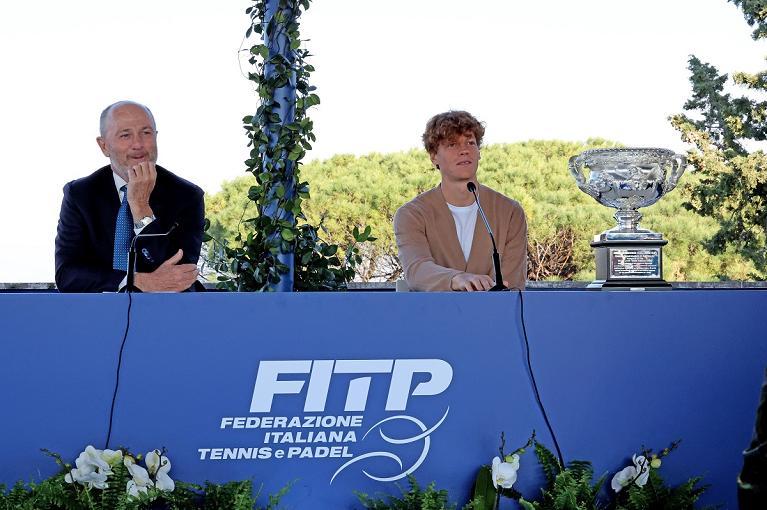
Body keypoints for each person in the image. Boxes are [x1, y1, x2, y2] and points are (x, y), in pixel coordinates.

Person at [55, 101, 205, 292]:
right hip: (97, 314)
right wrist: (135, 281)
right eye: (125, 135)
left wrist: (141, 208)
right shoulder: (80, 194)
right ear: (104, 146)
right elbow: (67, 275)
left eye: (146, 133)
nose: (138, 144)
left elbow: (180, 277)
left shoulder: (187, 195)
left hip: (165, 313)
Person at [393, 110, 527, 291]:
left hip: (493, 317)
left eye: (471, 143)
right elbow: (417, 271)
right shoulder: (411, 214)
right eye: (452, 144)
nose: (464, 150)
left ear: (479, 152)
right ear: (434, 157)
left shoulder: (510, 212)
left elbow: (513, 284)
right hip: (434, 316)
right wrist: (456, 279)